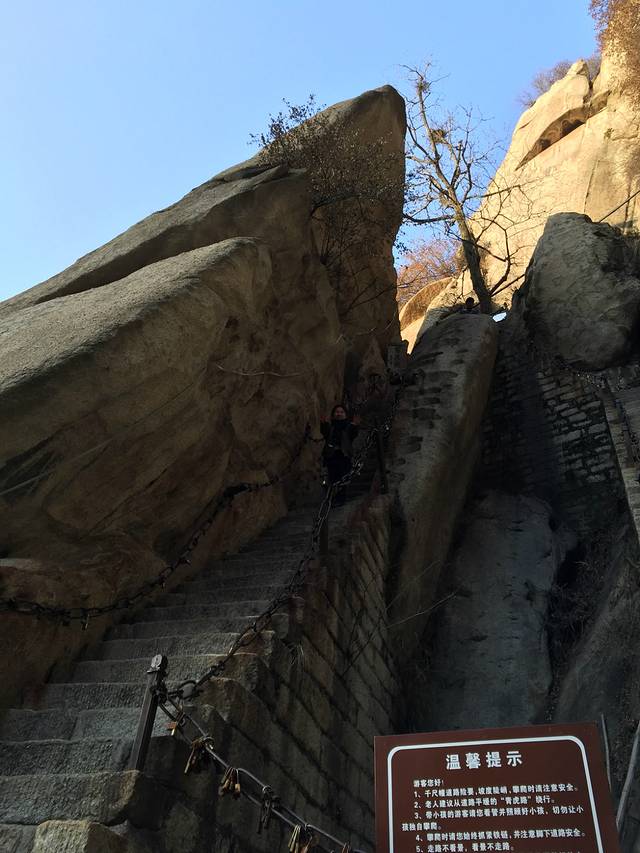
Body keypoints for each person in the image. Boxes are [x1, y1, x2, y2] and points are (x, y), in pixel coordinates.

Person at [320, 404, 360, 504]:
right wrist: (323, 424)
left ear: (345, 415)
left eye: (341, 412)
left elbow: (353, 434)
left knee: (343, 477)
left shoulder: (348, 427)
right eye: (337, 412)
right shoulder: (331, 427)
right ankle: (332, 499)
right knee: (332, 477)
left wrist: (355, 426)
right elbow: (325, 432)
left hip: (343, 456)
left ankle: (340, 499)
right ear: (333, 414)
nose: (339, 414)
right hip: (331, 456)